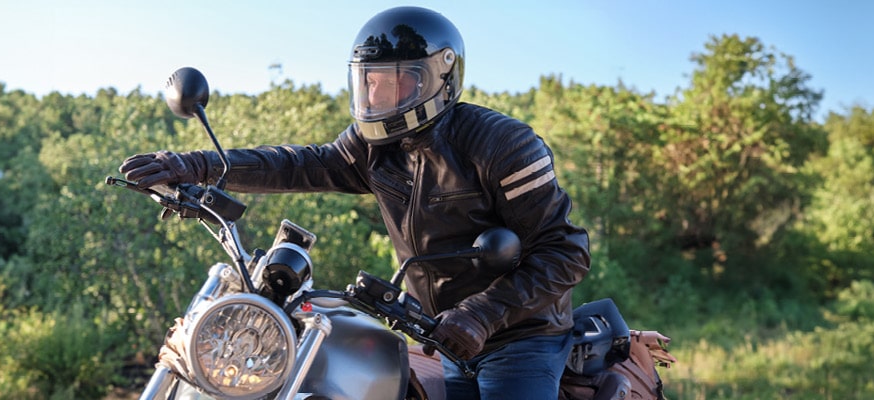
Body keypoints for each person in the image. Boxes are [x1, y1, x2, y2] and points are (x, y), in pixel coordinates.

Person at [120, 6, 590, 399]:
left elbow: (565, 251)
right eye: (369, 82)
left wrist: (482, 313)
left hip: (519, 335)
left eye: (396, 82)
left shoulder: (502, 145)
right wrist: (196, 165)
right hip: (440, 332)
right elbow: (300, 164)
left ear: (440, 76)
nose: (379, 94)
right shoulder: (374, 147)